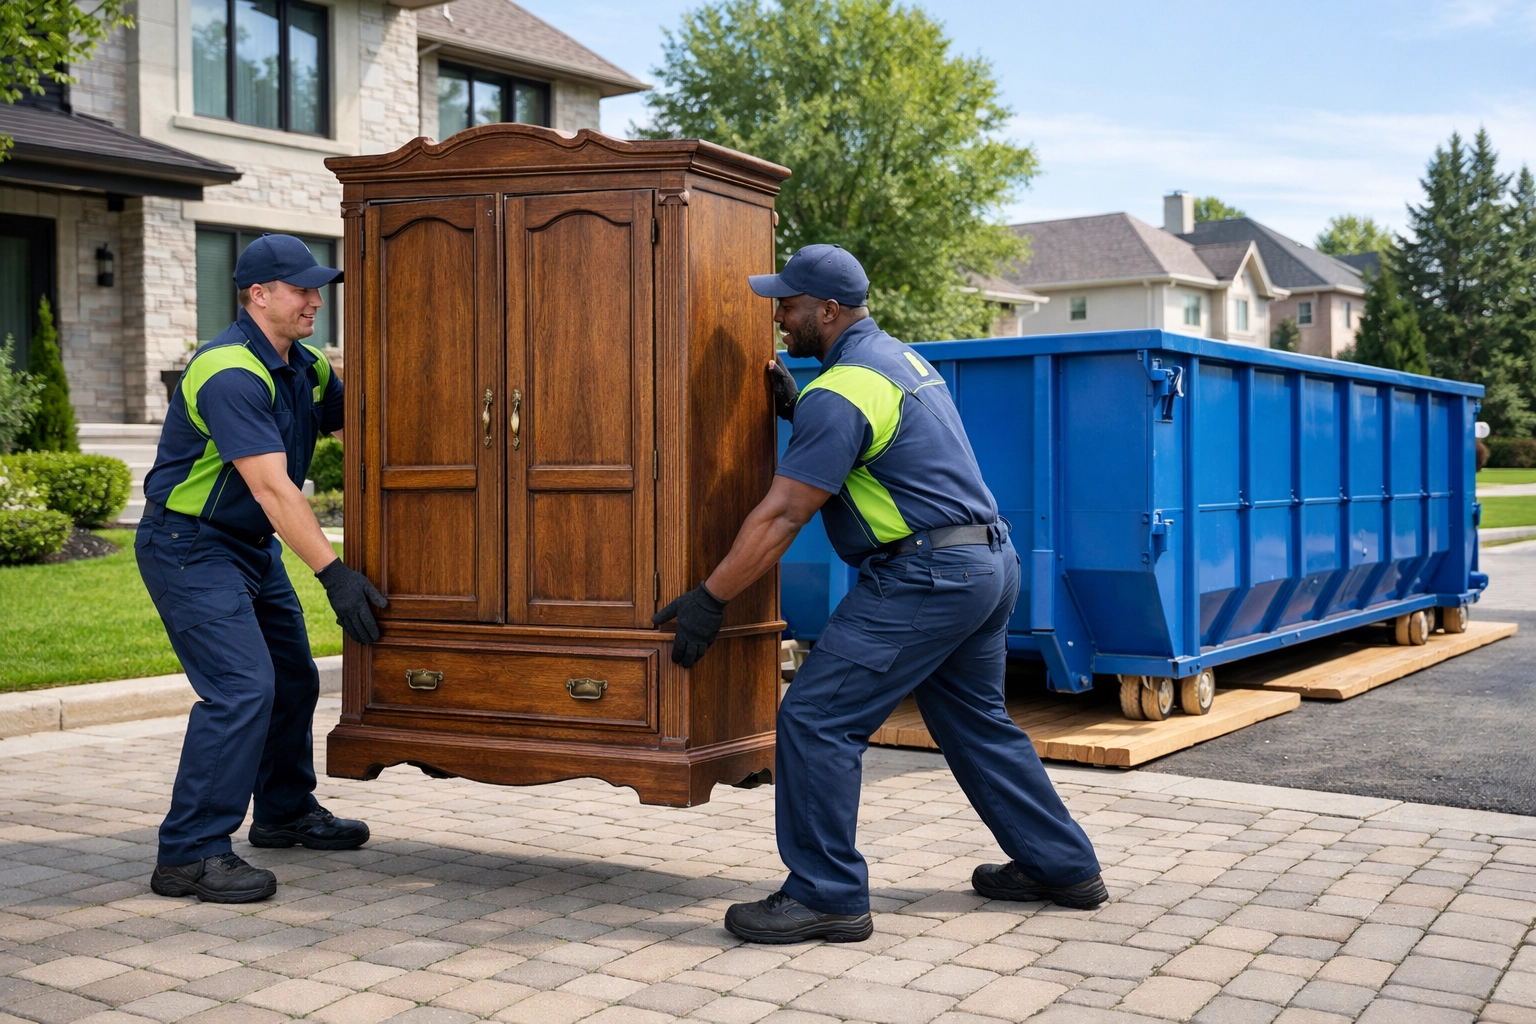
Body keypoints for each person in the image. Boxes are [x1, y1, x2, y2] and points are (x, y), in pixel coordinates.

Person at [652, 244, 1105, 944]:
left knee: (816, 719)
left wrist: (712, 598)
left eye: (789, 305)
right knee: (977, 723)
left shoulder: (843, 390)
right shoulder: (896, 361)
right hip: (986, 562)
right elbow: (891, 455)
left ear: (826, 311)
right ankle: (1061, 865)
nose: (779, 317)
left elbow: (782, 514)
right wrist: (802, 410)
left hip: (927, 576)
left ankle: (827, 894)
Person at [137, 234, 386, 904]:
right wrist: (334, 573)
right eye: (302, 289)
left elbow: (359, 427)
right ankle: (188, 855)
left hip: (247, 547)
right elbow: (275, 490)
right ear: (259, 295)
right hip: (189, 545)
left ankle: (282, 811)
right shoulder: (227, 372)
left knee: (292, 679)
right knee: (242, 689)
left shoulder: (303, 365)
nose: (315, 300)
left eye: (317, 288)